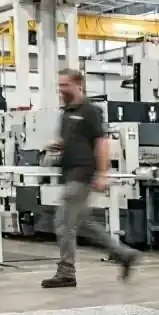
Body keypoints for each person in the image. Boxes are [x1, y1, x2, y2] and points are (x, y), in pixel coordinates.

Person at [42, 69, 138, 288]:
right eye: (60, 85)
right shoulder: (67, 112)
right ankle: (123, 254)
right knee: (83, 223)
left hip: (82, 173)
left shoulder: (90, 111)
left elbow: (101, 142)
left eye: (65, 85)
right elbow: (75, 140)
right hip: (68, 174)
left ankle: (66, 272)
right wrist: (59, 145)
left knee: (63, 222)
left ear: (78, 85)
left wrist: (103, 172)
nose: (61, 89)